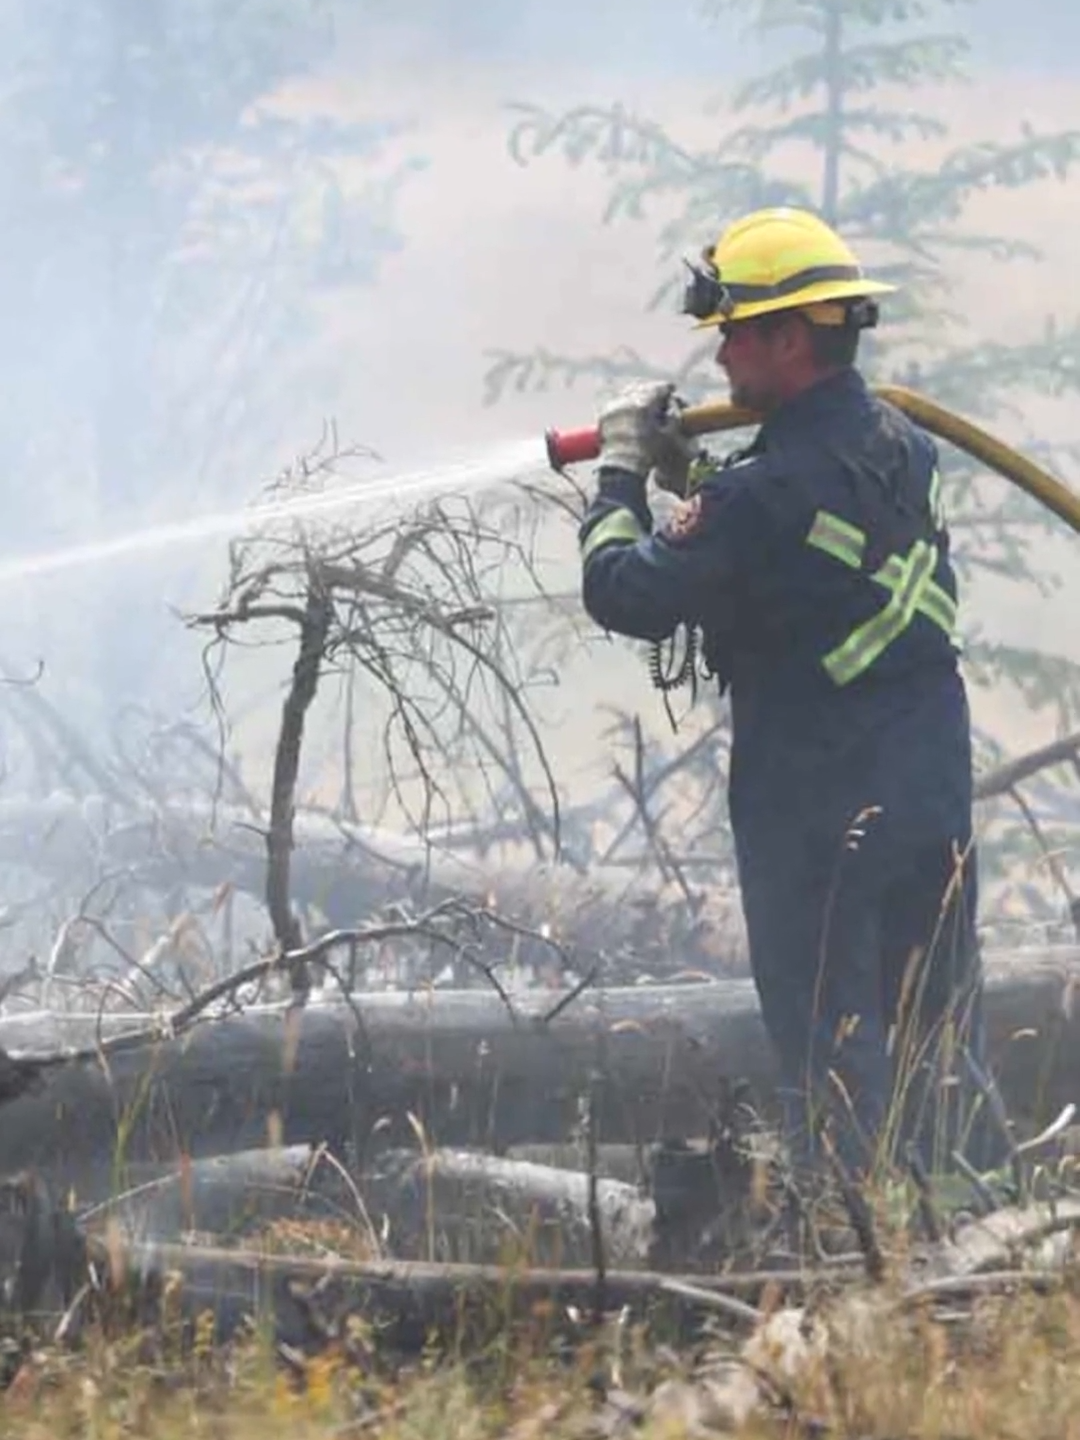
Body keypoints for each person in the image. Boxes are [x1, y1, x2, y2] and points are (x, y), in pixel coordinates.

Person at [578, 206, 1010, 1189]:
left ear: (790, 336)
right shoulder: (905, 446)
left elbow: (625, 592)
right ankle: (984, 1229)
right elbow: (796, 555)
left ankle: (849, 1252)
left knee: (832, 1055)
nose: (722, 354)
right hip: (931, 792)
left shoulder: (756, 499)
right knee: (944, 1041)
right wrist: (694, 483)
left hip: (819, 818)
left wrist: (617, 479)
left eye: (734, 330)